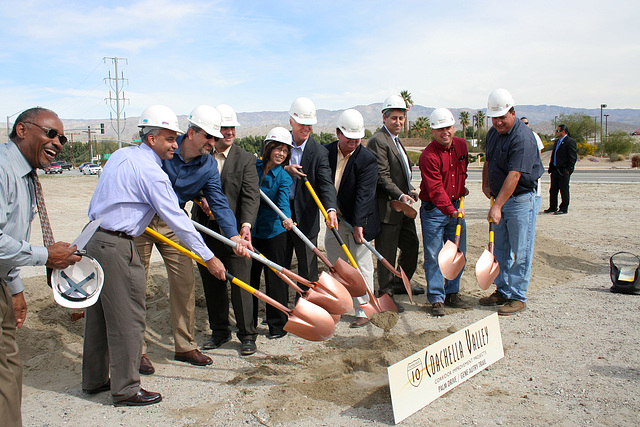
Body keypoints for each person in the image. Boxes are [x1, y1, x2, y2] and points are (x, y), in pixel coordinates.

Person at [83, 105, 227, 406]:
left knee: (98, 316)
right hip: (120, 243)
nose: (174, 145)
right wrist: (209, 258)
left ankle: (95, 379)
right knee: (129, 318)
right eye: (168, 139)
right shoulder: (152, 173)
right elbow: (179, 221)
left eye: (175, 139)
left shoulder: (122, 155)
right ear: (151, 139)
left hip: (94, 237)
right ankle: (126, 389)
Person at [134, 105, 249, 373]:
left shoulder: (208, 165)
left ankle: (184, 346)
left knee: (184, 281)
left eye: (215, 137)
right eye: (208, 136)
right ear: (191, 132)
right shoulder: (162, 151)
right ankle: (136, 350)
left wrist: (233, 236)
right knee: (136, 283)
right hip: (141, 220)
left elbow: (219, 202)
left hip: (174, 222)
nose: (213, 142)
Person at [0, 108, 80, 425]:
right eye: (51, 134)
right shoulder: (3, 169)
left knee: (7, 367)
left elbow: (9, 236)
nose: (58, 143)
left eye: (61, 138)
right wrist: (46, 256)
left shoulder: (27, 176)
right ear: (22, 129)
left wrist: (14, 287)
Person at [192, 104, 260, 356]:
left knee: (241, 283)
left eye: (232, 127)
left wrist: (245, 226)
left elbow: (251, 196)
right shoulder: (201, 156)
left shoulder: (245, 159)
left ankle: (247, 335)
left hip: (235, 234)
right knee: (212, 283)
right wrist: (201, 198)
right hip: (206, 230)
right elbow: (190, 184)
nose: (229, 132)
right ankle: (220, 331)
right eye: (224, 128)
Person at [480, 89, 544, 315]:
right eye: (494, 118)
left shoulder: (523, 137)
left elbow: (515, 175)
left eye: (502, 117)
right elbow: (488, 160)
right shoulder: (493, 134)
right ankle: (503, 290)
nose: (498, 122)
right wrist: (485, 184)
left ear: (513, 113)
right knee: (500, 249)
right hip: (500, 198)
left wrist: (497, 206)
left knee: (521, 249)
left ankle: (518, 296)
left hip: (520, 200)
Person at [323, 109, 380, 327]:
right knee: (337, 264)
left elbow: (364, 196)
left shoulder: (367, 160)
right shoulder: (325, 152)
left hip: (359, 220)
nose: (353, 143)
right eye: (349, 139)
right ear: (338, 133)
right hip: (333, 219)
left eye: (357, 139)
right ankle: (337, 306)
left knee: (361, 265)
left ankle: (364, 309)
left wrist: (358, 225)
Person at [366, 95, 422, 312]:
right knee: (386, 254)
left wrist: (409, 191)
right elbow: (382, 176)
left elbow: (400, 174)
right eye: (394, 118)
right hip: (387, 210)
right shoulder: (378, 141)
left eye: (402, 118)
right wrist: (400, 196)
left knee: (411, 246)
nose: (398, 122)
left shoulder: (396, 142)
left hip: (403, 207)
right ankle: (385, 294)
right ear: (384, 117)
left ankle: (400, 282)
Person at [418, 108, 470, 317]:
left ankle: (452, 293)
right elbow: (436, 189)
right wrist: (451, 211)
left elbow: (461, 170)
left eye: (447, 127)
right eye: (440, 129)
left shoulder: (462, 146)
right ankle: (437, 299)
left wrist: (460, 189)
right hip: (434, 211)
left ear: (453, 127)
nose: (445, 132)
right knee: (434, 255)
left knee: (458, 252)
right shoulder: (428, 156)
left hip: (455, 206)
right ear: (433, 130)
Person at [283, 97, 338, 284]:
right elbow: (263, 171)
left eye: (309, 124)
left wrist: (331, 208)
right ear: (291, 121)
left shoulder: (320, 152)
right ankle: (280, 310)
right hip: (279, 214)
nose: (306, 128)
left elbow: (326, 184)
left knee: (307, 268)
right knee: (280, 266)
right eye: (302, 123)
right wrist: (284, 171)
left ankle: (307, 308)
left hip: (306, 216)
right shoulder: (277, 143)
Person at [250, 127, 294, 338]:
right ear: (268, 148)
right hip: (251, 231)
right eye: (277, 148)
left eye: (285, 151)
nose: (281, 154)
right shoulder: (253, 167)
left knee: (275, 279)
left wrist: (287, 217)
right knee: (250, 278)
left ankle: (278, 325)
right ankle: (248, 324)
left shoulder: (284, 177)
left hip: (274, 233)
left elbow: (283, 202)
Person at [545, 124, 577, 215]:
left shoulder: (570, 142)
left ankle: (563, 208)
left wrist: (568, 170)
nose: (556, 133)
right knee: (553, 190)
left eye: (558, 131)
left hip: (563, 170)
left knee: (564, 189)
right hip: (555, 170)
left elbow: (572, 157)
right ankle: (552, 207)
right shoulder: (557, 142)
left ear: (563, 131)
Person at [521, 117, 545, 213]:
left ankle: (534, 210)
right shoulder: (517, 135)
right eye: (523, 123)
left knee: (536, 192)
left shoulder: (534, 135)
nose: (525, 125)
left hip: (532, 167)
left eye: (526, 123)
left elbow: (539, 150)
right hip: (522, 167)